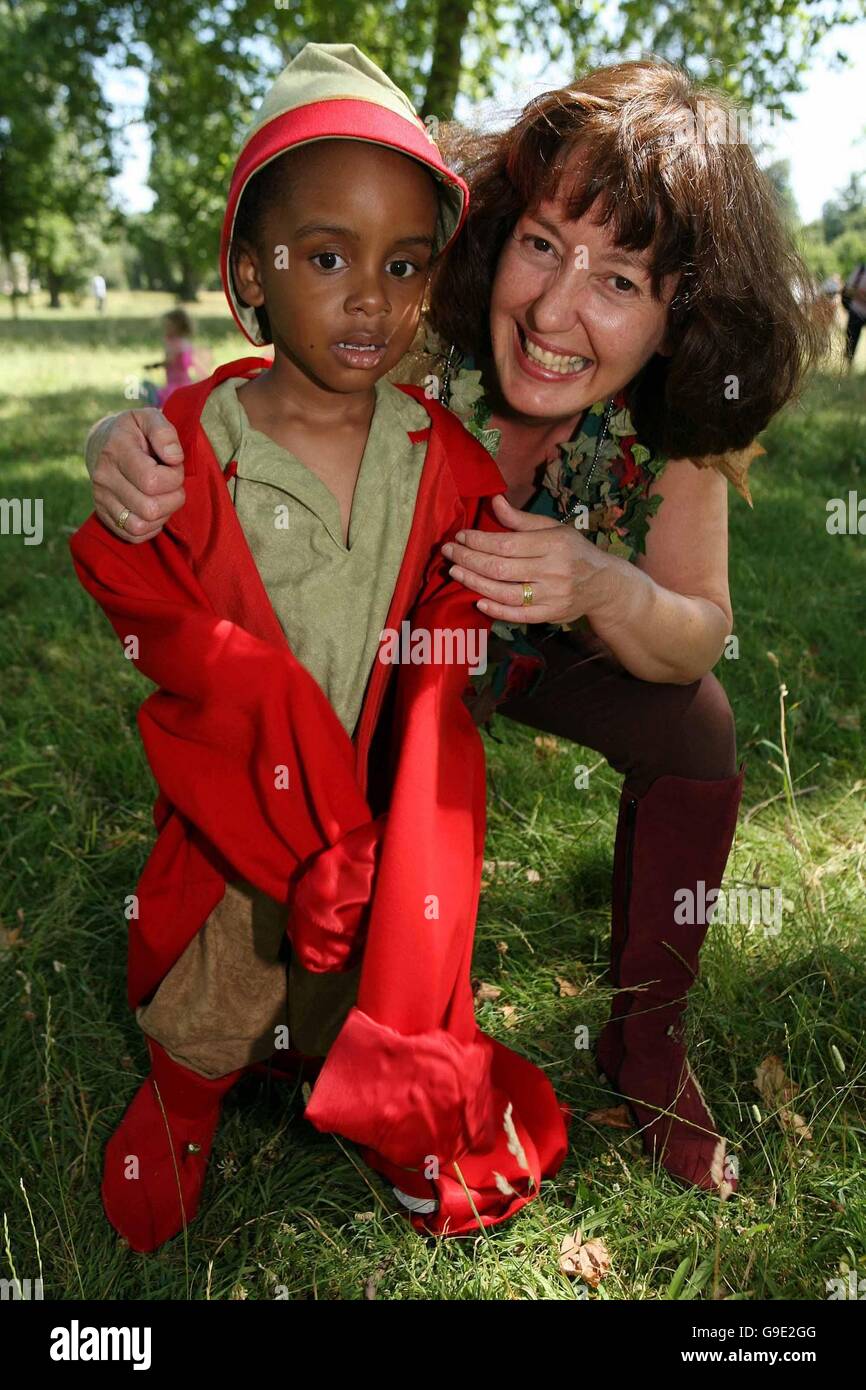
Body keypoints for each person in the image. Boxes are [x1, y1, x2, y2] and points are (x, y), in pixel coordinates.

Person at [80, 60, 822, 1201]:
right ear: (495, 235)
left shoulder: (669, 430)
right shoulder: (426, 324)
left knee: (700, 724)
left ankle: (646, 1043)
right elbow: (256, 395)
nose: (555, 307)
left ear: (683, 310)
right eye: (541, 244)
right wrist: (123, 436)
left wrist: (596, 585)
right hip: (385, 648)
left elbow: (696, 636)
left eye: (618, 278)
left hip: (544, 638)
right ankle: (279, 1009)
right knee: (329, 798)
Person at [70, 42, 567, 1255]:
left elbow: (464, 612)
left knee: (383, 959)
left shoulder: (434, 455)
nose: (369, 298)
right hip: (246, 798)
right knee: (222, 970)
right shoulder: (203, 440)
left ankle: (391, 1109)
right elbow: (139, 579)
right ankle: (186, 1103)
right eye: (326, 256)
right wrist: (111, 442)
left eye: (402, 265)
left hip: (375, 799)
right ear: (249, 269)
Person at [140, 308, 208, 407]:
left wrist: (154, 366)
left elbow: (169, 361)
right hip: (185, 382)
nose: (165, 329)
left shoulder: (175, 345)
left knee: (150, 391)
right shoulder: (185, 343)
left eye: (168, 326)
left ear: (177, 327)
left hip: (176, 386)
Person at [842, 261, 866, 366]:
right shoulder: (861, 270)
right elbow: (847, 290)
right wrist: (859, 294)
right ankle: (848, 366)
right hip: (856, 312)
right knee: (851, 340)